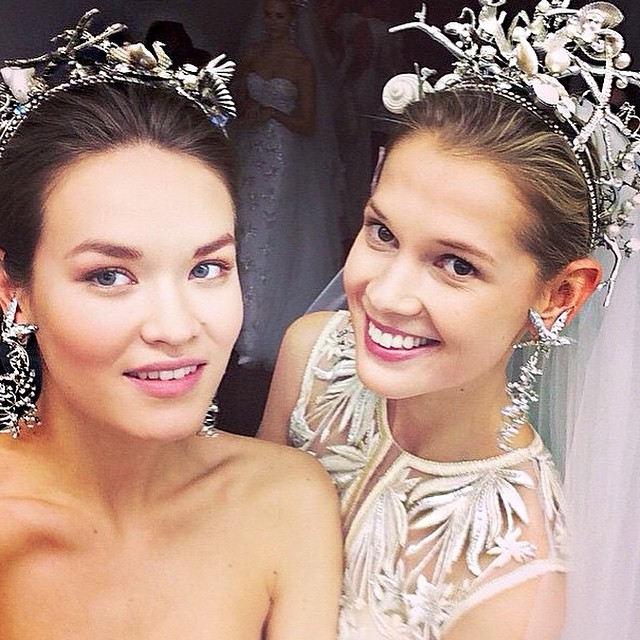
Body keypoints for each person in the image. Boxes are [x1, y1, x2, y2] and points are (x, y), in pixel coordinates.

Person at [258, 0, 640, 637]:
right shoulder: (313, 357)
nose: (386, 296)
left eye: (456, 265)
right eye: (382, 232)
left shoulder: (518, 584)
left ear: (560, 295)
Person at [0, 11, 342, 639]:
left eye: (207, 268)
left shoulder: (286, 501)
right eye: (110, 275)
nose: (177, 327)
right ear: (13, 292)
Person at [232, 0, 344, 369]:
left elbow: (308, 123)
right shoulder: (251, 53)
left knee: (267, 232)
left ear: (293, 19)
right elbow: (235, 97)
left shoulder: (301, 63)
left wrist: (273, 112)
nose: (272, 21)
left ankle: (256, 331)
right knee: (240, 226)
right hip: (249, 147)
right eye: (267, 14)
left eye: (279, 15)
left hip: (282, 155)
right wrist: (249, 107)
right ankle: (232, 322)